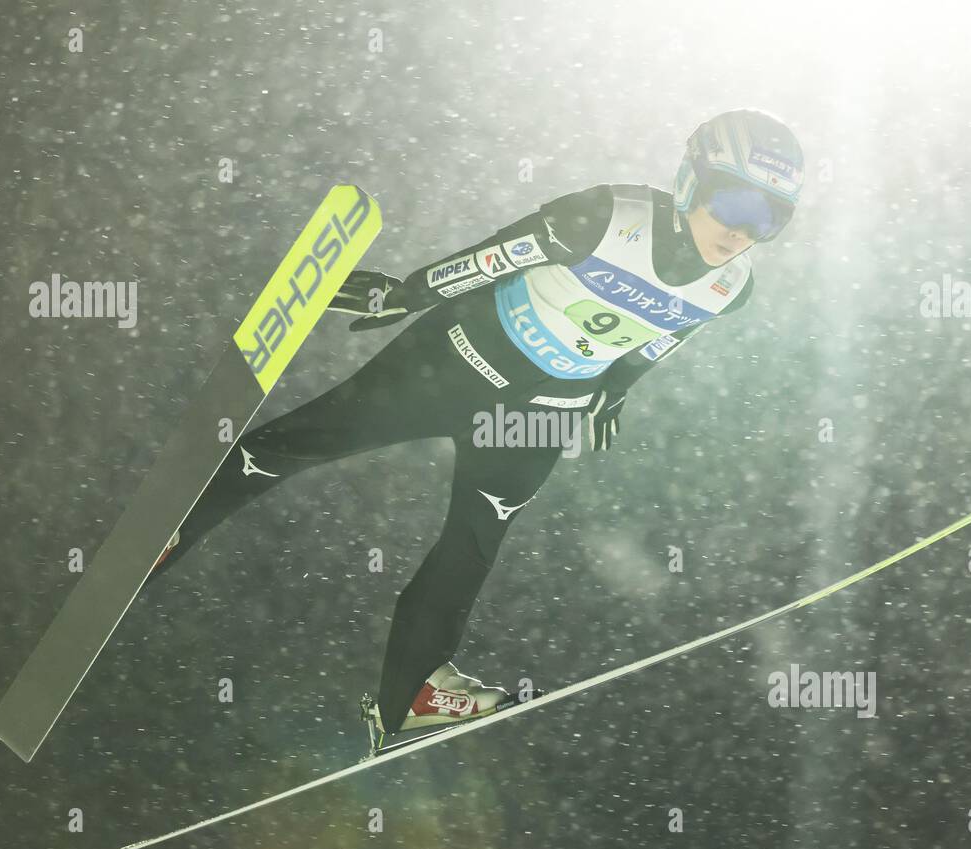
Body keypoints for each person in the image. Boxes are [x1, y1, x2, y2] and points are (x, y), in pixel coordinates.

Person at [148, 109, 805, 736]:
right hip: (457, 362)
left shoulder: (731, 288)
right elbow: (495, 257)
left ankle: (410, 694)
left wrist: (613, 394)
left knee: (474, 542)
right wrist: (406, 292)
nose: (744, 230)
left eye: (769, 218)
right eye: (735, 203)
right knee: (311, 439)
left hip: (540, 416)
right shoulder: (607, 216)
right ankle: (171, 525)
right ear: (692, 182)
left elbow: (658, 339)